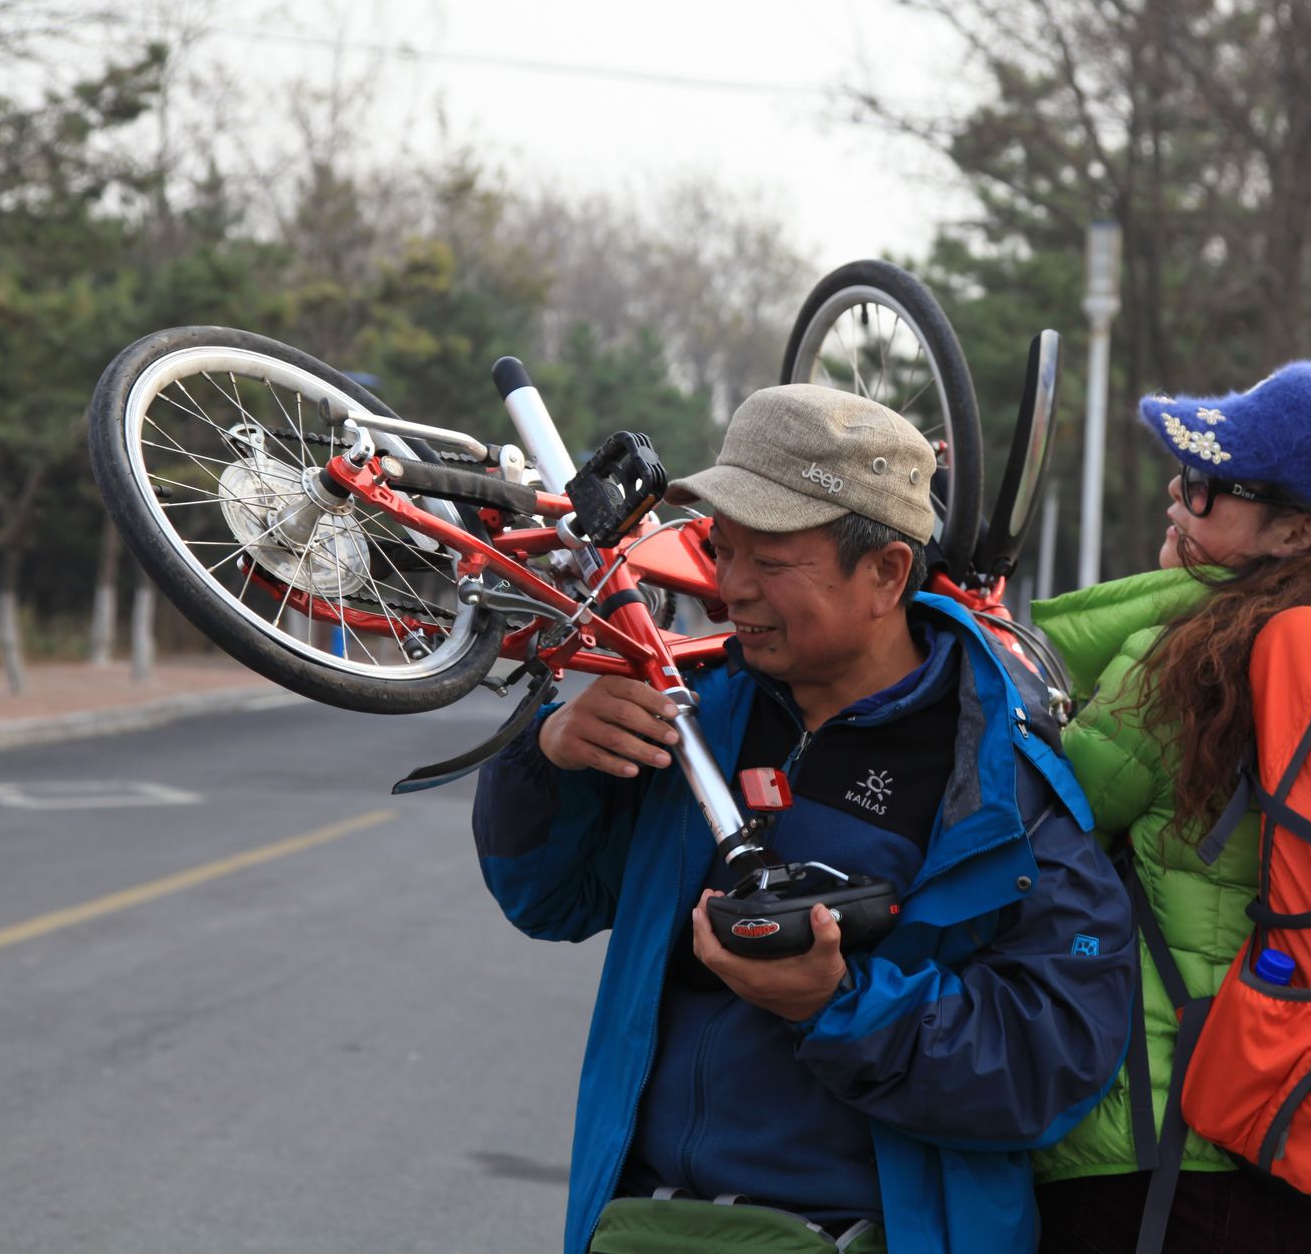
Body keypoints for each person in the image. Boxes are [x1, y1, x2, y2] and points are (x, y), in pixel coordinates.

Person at [472, 383, 1137, 1254]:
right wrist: (551, 756)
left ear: (887, 573)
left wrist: (838, 1004)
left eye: (772, 561)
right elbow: (547, 900)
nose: (729, 587)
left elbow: (1052, 1060)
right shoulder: (697, 710)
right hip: (640, 1223)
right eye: (722, 547)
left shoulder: (999, 775)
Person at [1029, 361, 1311, 1254]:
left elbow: (1046, 805)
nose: (1181, 498)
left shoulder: (1187, 662)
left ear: (1295, 530)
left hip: (1170, 1146)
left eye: (1212, 486)